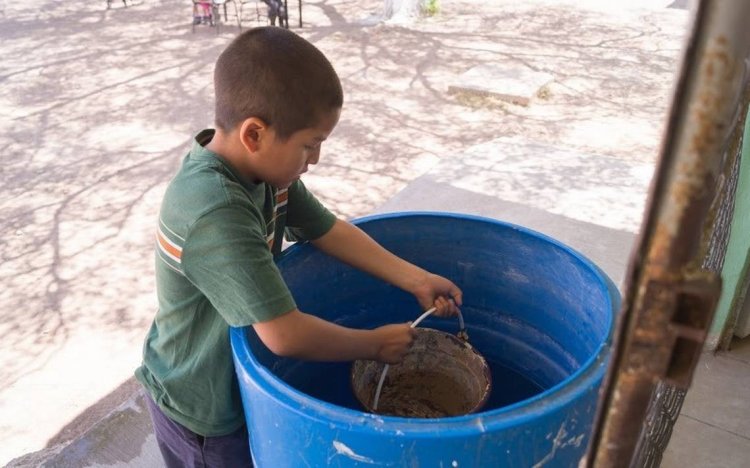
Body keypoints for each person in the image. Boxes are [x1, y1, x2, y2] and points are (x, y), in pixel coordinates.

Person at [135, 27, 463, 467]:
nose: (316, 160)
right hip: (201, 407)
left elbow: (326, 229)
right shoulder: (215, 210)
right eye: (311, 145)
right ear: (255, 134)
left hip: (230, 380)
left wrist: (416, 278)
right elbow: (285, 335)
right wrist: (374, 345)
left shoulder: (264, 175)